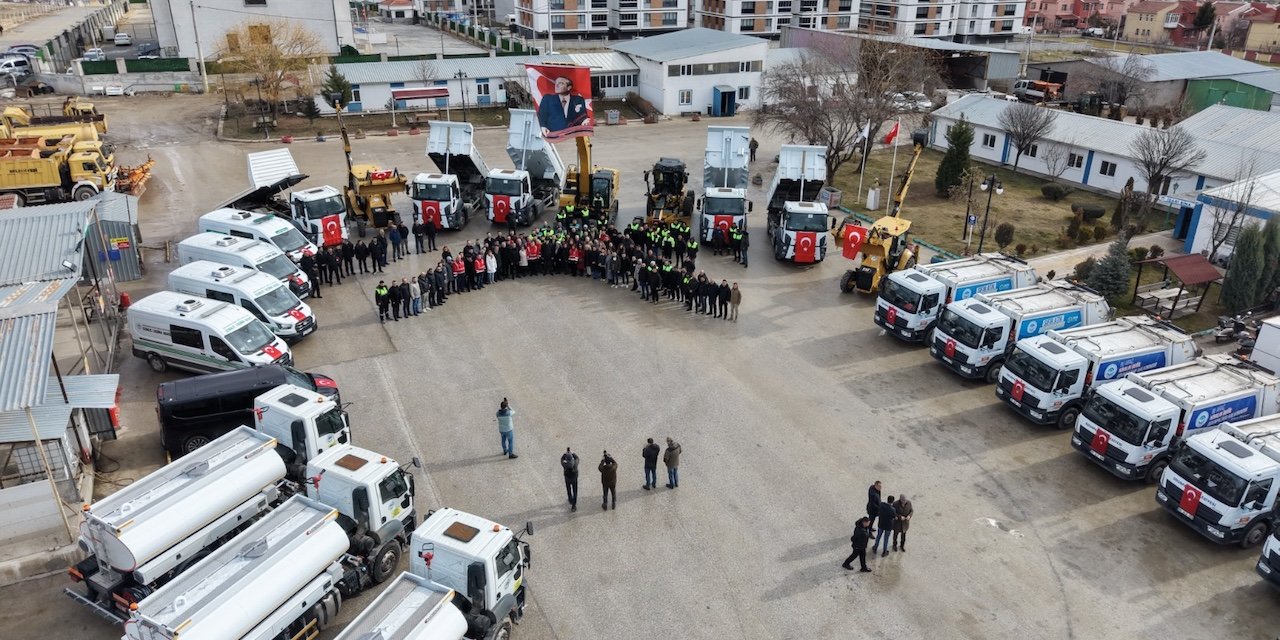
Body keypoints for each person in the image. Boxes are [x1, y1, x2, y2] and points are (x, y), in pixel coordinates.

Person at [561, 447, 579, 511]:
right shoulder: (575, 463)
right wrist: (573, 453)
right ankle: (574, 505)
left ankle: (570, 499)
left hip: (567, 478)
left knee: (568, 489)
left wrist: (565, 454)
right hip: (574, 479)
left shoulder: (565, 464)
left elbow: (561, 460)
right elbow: (577, 458)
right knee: (575, 491)